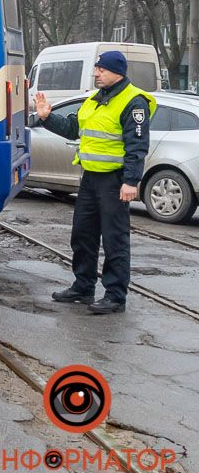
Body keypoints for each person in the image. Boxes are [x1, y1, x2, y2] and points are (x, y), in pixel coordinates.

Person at [35, 51, 155, 314]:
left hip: (114, 181)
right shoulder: (94, 100)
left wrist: (131, 181)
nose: (96, 73)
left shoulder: (133, 102)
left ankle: (115, 296)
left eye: (101, 69)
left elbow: (137, 146)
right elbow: (71, 128)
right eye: (97, 68)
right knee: (83, 234)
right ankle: (83, 286)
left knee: (115, 239)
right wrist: (46, 117)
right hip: (90, 178)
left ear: (117, 72)